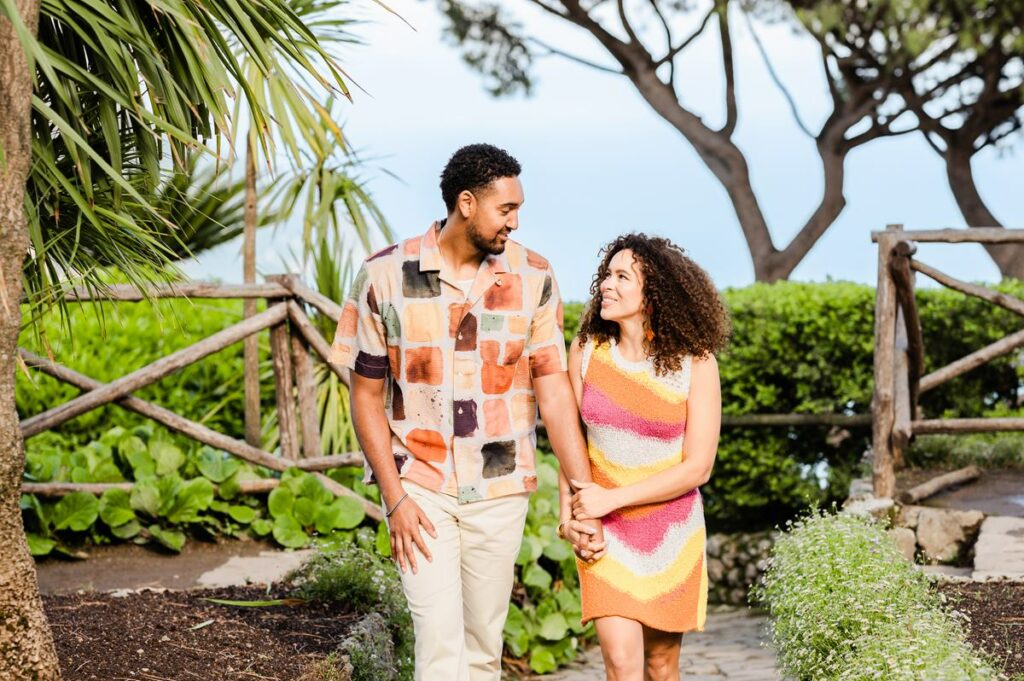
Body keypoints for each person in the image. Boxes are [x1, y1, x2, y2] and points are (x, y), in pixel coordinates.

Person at [330, 143, 603, 681]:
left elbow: (552, 387)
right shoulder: (384, 275)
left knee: (482, 647)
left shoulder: (535, 276)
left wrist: (580, 485)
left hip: (500, 487)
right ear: (467, 203)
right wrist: (394, 500)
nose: (515, 222)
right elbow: (364, 396)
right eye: (506, 209)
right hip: (420, 486)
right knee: (436, 644)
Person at [560, 233, 730, 681]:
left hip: (671, 536)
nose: (606, 286)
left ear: (653, 293)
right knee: (622, 664)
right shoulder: (585, 353)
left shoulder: (697, 362)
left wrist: (611, 499)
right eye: (606, 275)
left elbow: (699, 467)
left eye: (621, 277)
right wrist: (571, 518)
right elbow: (568, 441)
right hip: (605, 535)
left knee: (660, 665)